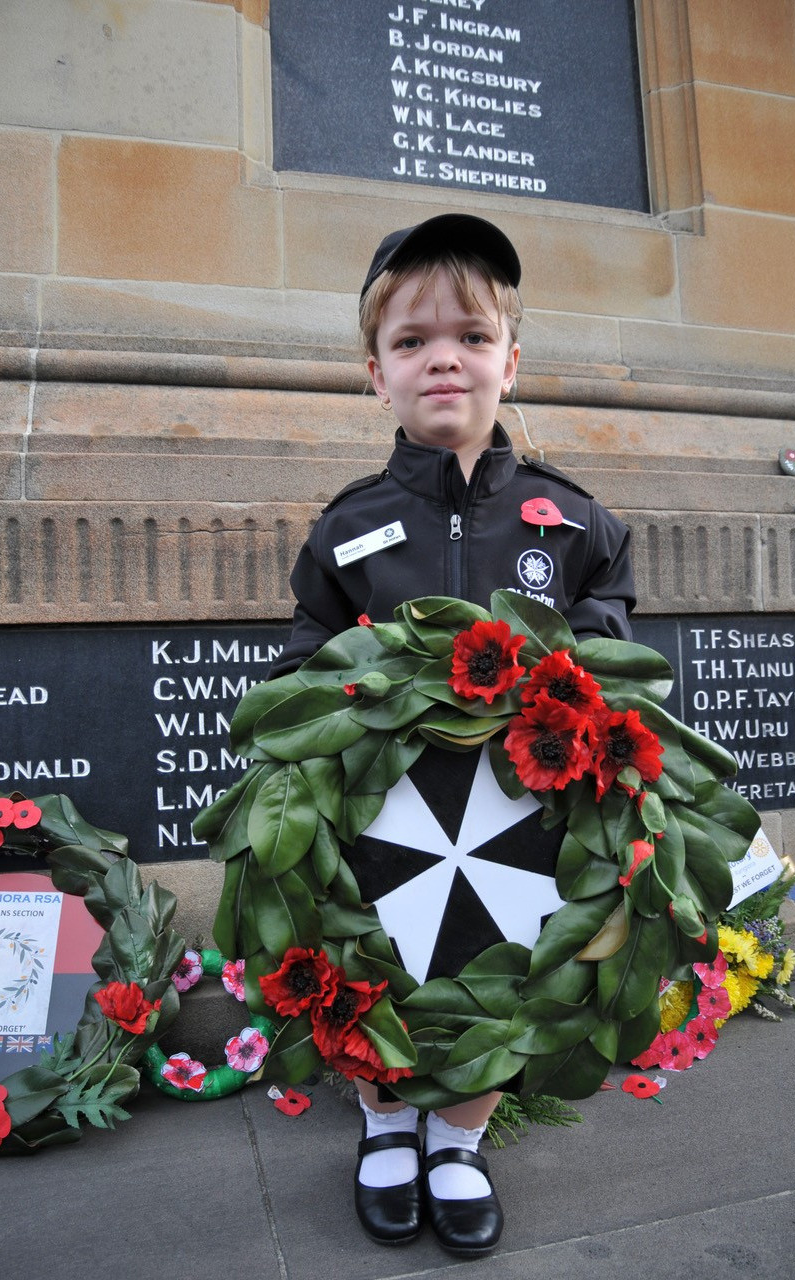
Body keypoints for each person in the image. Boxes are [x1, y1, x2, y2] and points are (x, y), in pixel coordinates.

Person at [269, 213, 636, 1258]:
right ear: (374, 375)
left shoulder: (575, 522)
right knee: (375, 958)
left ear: (509, 363)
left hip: (522, 819)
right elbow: (303, 653)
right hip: (381, 818)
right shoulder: (347, 526)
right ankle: (386, 1123)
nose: (444, 358)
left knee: (500, 967)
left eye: (472, 336)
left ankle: (460, 1140)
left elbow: (613, 645)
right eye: (412, 340)